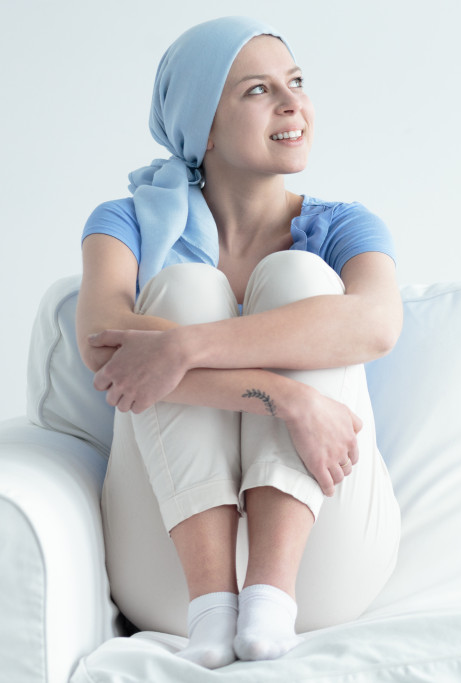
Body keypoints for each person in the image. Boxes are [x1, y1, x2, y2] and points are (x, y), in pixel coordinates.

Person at [75, 17, 402, 669]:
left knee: (301, 277)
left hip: (324, 569)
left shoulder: (344, 226)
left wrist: (182, 349)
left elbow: (375, 324)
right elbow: (104, 346)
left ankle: (270, 597)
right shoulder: (128, 224)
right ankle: (215, 607)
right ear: (204, 124)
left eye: (297, 82)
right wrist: (284, 395)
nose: (292, 103)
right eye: (258, 90)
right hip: (168, 576)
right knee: (185, 287)